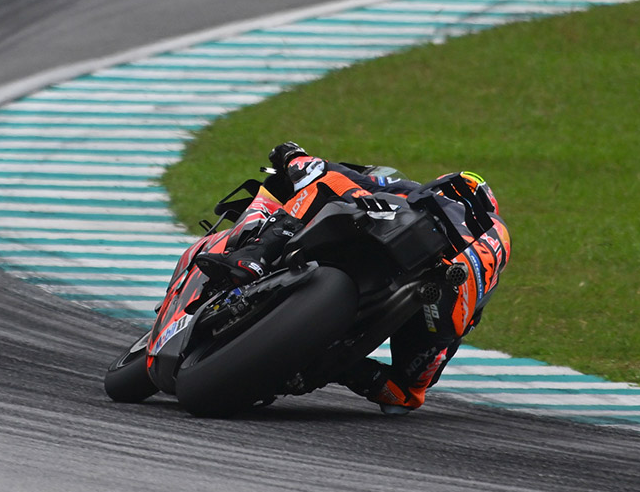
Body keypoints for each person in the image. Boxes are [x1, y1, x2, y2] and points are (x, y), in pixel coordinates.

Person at [194, 141, 511, 415]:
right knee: (405, 393)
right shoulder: (481, 261)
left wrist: (292, 155)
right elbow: (406, 397)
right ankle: (338, 368)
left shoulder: (409, 191)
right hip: (440, 302)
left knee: (325, 181)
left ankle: (256, 255)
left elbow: (325, 172)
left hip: (426, 292)